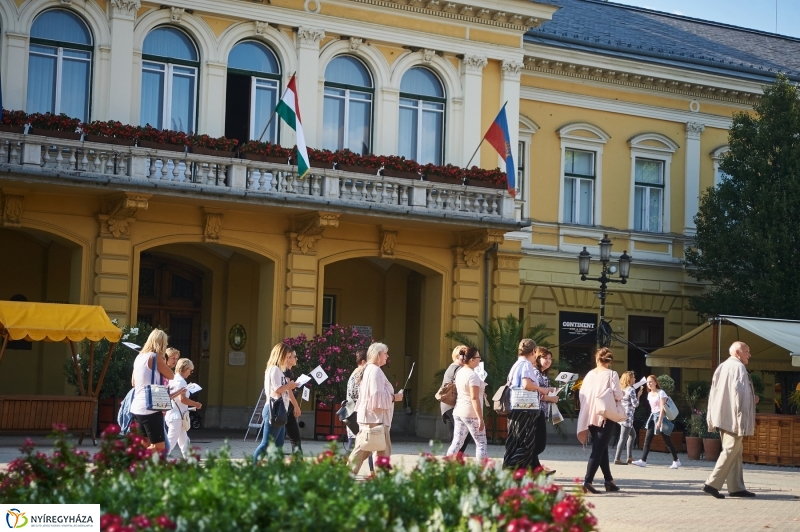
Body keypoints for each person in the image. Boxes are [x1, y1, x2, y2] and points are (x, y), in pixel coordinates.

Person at [702, 341, 758, 499]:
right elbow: (739, 394)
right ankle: (712, 484)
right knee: (731, 449)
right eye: (747, 351)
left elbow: (714, 392)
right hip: (734, 417)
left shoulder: (722, 366)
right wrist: (751, 401)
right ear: (738, 352)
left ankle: (736, 487)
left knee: (735, 451)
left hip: (722, 415)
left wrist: (711, 417)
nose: (749, 354)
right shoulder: (739, 367)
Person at [348, 342, 403, 475]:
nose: (387, 356)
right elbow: (376, 395)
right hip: (375, 418)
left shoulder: (369, 369)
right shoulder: (375, 370)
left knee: (364, 449)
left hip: (370, 417)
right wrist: (395, 397)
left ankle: (348, 475)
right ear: (378, 355)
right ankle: (381, 481)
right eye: (385, 353)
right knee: (379, 450)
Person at [503, 339, 557, 473]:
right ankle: (509, 467)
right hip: (525, 408)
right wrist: (541, 389)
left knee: (514, 442)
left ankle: (519, 472)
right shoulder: (526, 365)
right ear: (533, 351)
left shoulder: (516, 364)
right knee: (528, 444)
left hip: (515, 406)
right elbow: (527, 384)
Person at [577, 347, 623, 493]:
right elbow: (618, 395)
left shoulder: (589, 374)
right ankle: (588, 480)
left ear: (597, 359)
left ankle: (609, 480)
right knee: (598, 449)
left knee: (602, 449)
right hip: (605, 415)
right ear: (610, 361)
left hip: (590, 414)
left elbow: (581, 394)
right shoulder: (612, 374)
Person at [130, 329, 177, 451]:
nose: (166, 345)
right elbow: (171, 375)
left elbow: (133, 382)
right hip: (151, 407)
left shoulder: (139, 357)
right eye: (165, 343)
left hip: (136, 407)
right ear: (161, 343)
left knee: (144, 443)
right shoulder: (155, 357)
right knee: (159, 446)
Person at [253, 343, 299, 464]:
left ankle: (274, 468)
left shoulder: (278, 370)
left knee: (279, 443)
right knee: (266, 443)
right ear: (281, 355)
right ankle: (253, 467)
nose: (288, 358)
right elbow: (278, 389)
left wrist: (290, 386)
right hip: (274, 410)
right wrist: (290, 385)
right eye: (287, 356)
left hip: (279, 410)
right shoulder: (274, 369)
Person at [446, 347, 487, 459]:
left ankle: (447, 466)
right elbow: (474, 398)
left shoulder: (461, 372)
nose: (480, 360)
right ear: (472, 359)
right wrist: (480, 418)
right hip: (471, 413)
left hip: (459, 411)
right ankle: (482, 471)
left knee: (457, 442)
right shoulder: (472, 375)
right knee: (481, 443)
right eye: (478, 357)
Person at [632, 375, 680, 469]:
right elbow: (652, 408)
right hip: (652, 416)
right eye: (647, 382)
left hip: (661, 417)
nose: (649, 384)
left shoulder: (661, 393)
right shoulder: (649, 394)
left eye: (651, 382)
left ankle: (676, 460)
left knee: (667, 440)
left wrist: (660, 421)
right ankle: (643, 460)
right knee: (647, 439)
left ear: (655, 382)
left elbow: (663, 408)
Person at [166, 358, 202, 458]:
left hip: (175, 415)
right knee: (171, 441)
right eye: (190, 370)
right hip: (177, 416)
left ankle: (190, 461)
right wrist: (196, 404)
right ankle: (157, 461)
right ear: (185, 369)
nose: (190, 373)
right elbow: (183, 399)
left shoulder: (172, 379)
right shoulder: (181, 382)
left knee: (184, 441)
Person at [440, 345, 473, 454]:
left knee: (455, 436)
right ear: (457, 356)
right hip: (454, 405)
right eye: (463, 354)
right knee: (465, 434)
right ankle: (455, 458)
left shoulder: (452, 367)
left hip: (447, 405)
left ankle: (453, 461)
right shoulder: (459, 369)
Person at [532, 347, 559, 475]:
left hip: (541, 411)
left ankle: (537, 470)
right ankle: (525, 463)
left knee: (536, 443)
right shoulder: (536, 373)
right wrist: (551, 398)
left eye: (550, 358)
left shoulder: (542, 374)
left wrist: (552, 390)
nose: (548, 361)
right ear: (538, 358)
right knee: (539, 444)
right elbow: (538, 394)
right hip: (535, 411)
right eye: (545, 358)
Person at [345, 349, 373, 472]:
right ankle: (373, 471)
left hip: (353, 413)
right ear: (363, 362)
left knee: (360, 443)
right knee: (369, 443)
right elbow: (356, 394)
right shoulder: (358, 374)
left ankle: (349, 470)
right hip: (357, 414)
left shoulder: (355, 372)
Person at [614, 371, 642, 465]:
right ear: (629, 379)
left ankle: (629, 457)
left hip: (622, 415)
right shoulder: (631, 390)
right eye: (633, 377)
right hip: (628, 417)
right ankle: (617, 458)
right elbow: (635, 404)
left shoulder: (622, 389)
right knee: (623, 437)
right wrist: (639, 396)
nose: (635, 379)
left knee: (632, 435)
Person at [284, 355, 303, 455]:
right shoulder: (286, 371)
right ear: (288, 357)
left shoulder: (288, 371)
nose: (297, 358)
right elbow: (288, 391)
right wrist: (296, 406)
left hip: (287, 409)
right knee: (295, 440)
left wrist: (294, 384)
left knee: (294, 440)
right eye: (295, 356)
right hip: (287, 409)